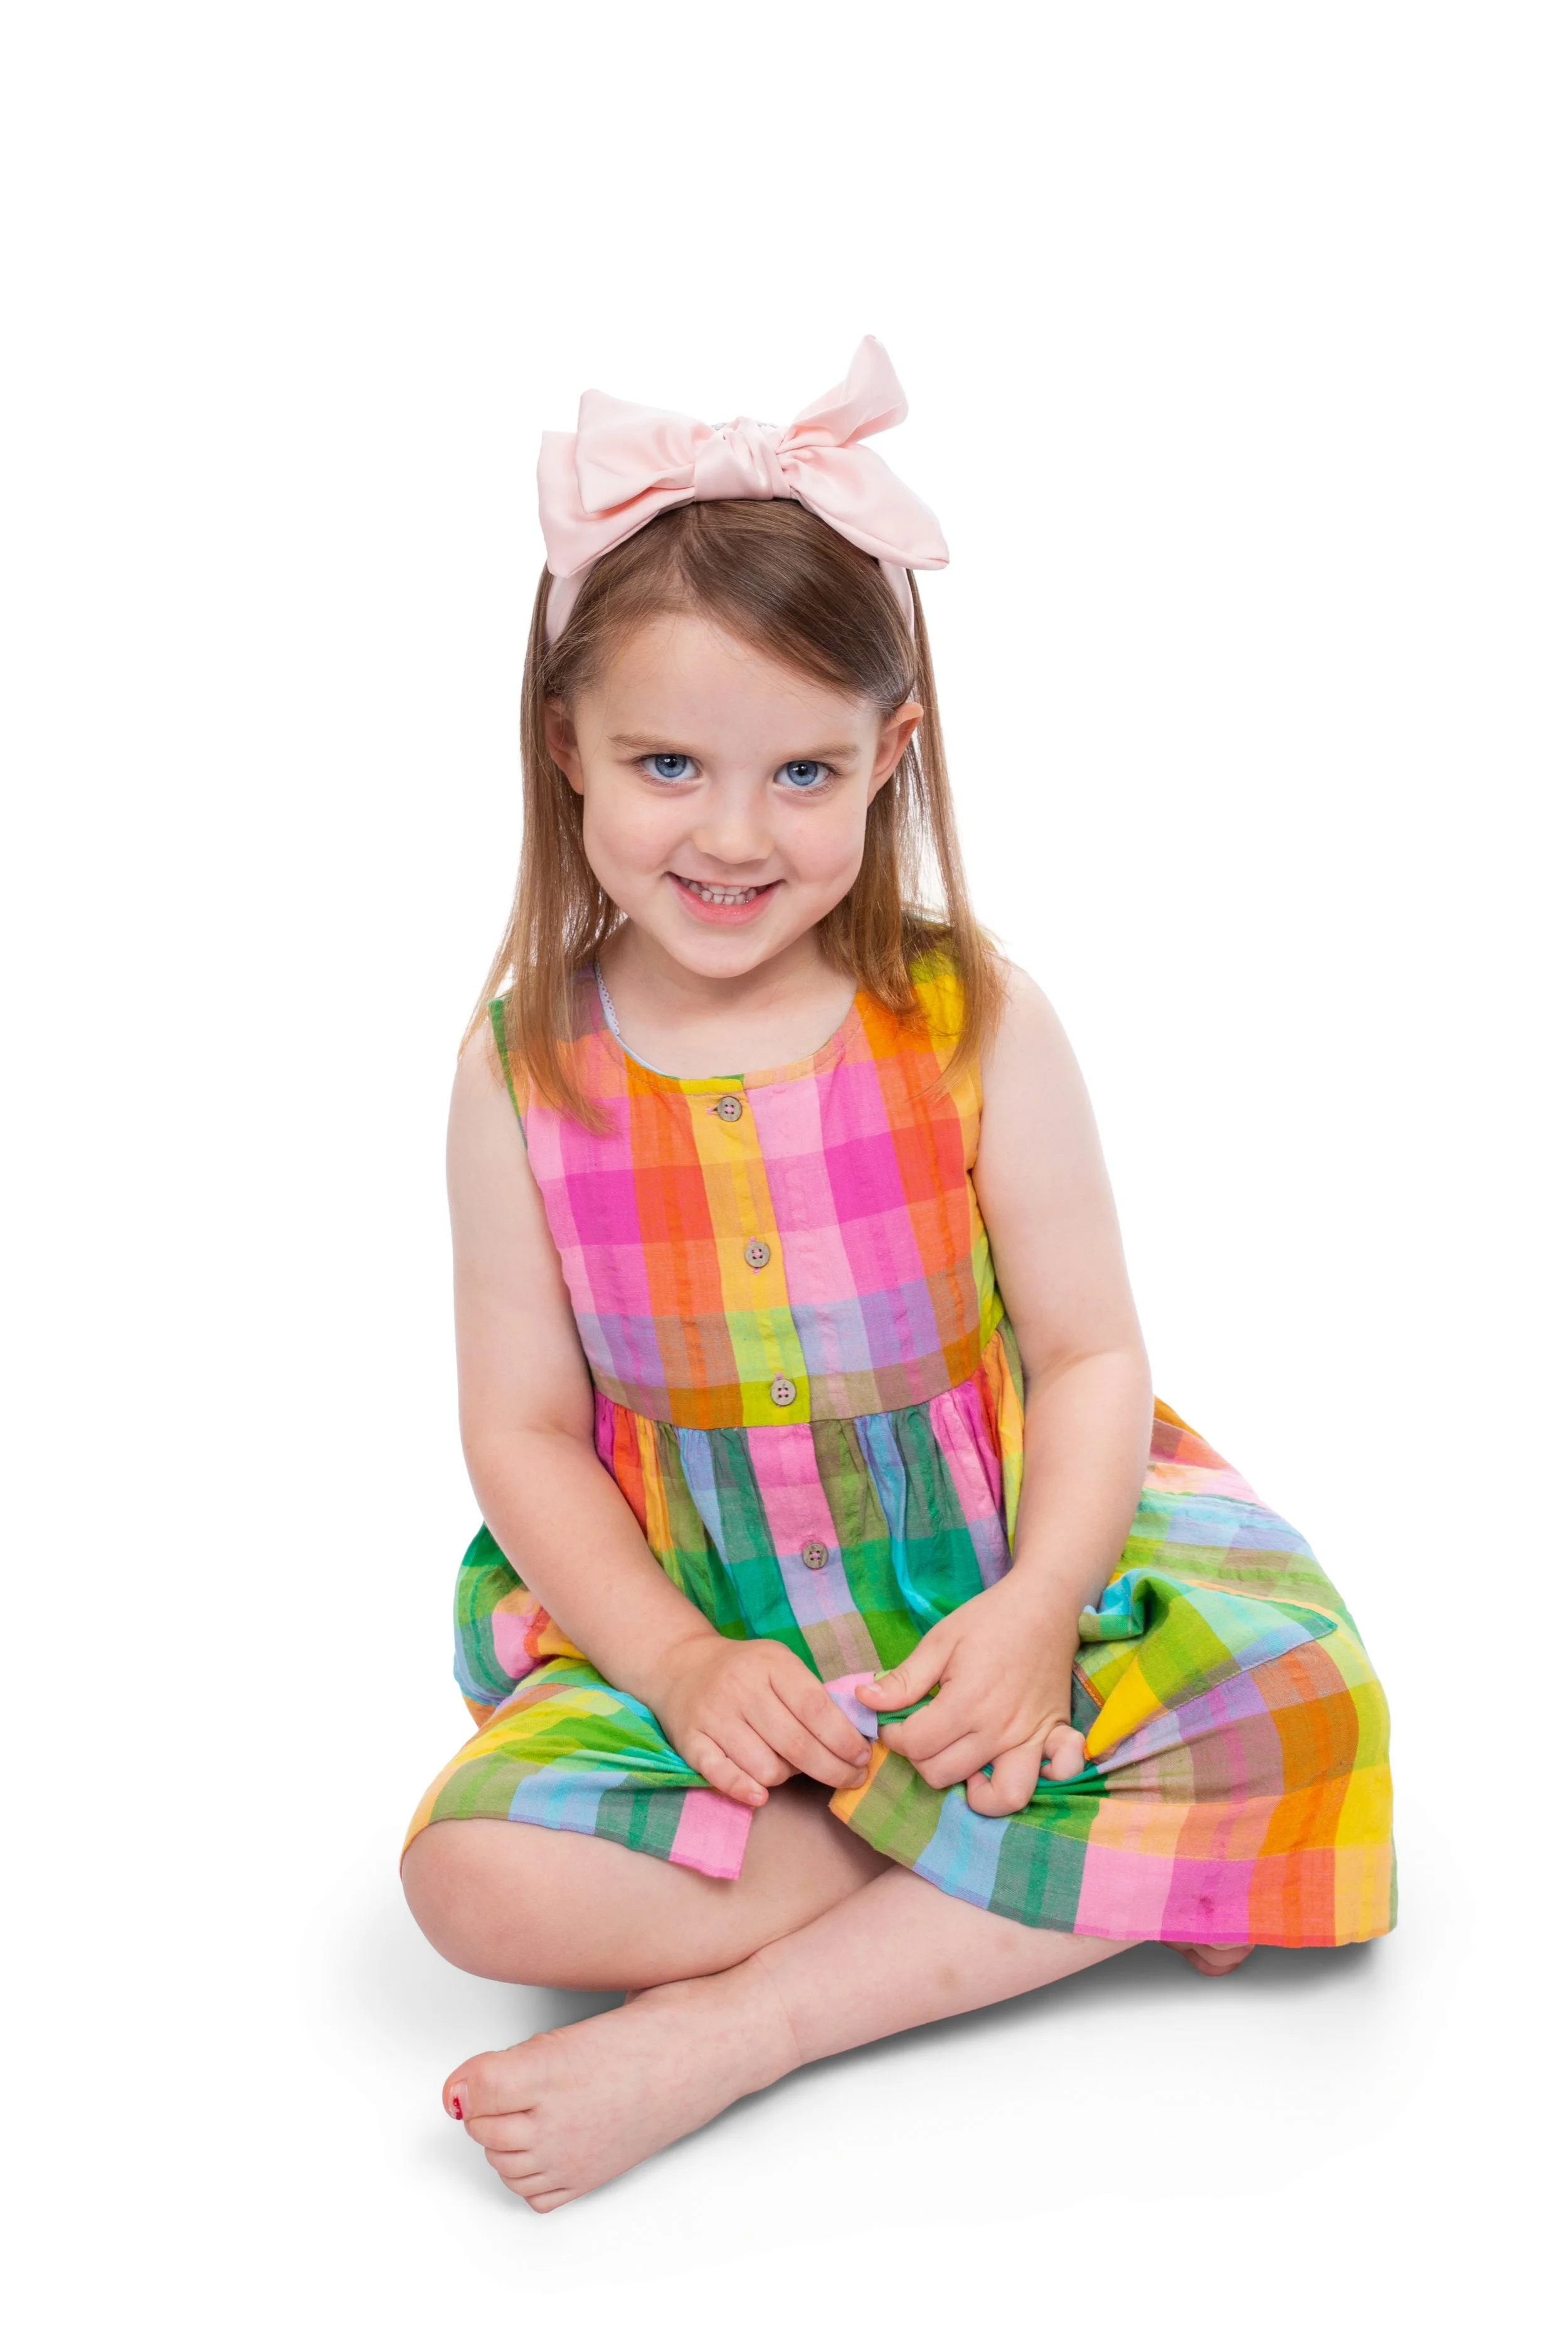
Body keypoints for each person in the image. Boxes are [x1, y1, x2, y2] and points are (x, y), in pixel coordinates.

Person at [401, 339, 1394, 2212]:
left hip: (988, 1600)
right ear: (565, 748)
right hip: (715, 1641)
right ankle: (1041, 1873)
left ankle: (745, 2022)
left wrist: (1031, 1613)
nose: (730, 831)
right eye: (665, 761)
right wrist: (679, 1657)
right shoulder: (521, 1060)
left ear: (890, 758)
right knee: (470, 1882)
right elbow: (522, 1427)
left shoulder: (965, 1014)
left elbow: (1090, 1356)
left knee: (1308, 1706)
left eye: (803, 771)